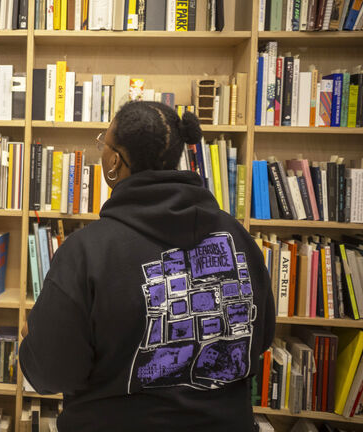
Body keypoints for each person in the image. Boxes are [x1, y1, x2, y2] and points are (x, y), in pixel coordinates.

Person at [19, 101, 275, 432]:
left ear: (115, 161)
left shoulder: (88, 252)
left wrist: (33, 339)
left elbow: (49, 374)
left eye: (103, 143)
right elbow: (261, 336)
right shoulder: (238, 237)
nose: (102, 151)